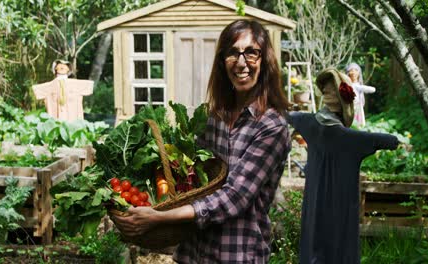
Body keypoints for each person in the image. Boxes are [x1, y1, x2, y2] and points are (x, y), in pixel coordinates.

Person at [111, 19, 292, 263]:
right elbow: (194, 177)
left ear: (265, 60)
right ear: (222, 62)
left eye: (251, 52)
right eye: (232, 53)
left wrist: (159, 217)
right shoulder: (214, 118)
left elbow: (234, 197)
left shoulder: (271, 127)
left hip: (235, 254)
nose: (241, 62)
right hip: (194, 252)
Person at [286, 68, 399, 264]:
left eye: (331, 90)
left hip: (316, 204)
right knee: (339, 247)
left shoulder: (310, 124)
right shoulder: (352, 139)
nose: (328, 93)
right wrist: (398, 142)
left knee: (315, 245)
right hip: (340, 209)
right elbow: (386, 140)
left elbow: (287, 115)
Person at [345, 62, 376, 127]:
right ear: (348, 73)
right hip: (349, 107)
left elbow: (372, 89)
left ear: (359, 73)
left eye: (356, 70)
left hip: (358, 107)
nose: (353, 73)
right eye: (351, 70)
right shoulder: (346, 86)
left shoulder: (358, 86)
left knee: (358, 125)